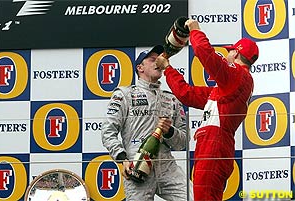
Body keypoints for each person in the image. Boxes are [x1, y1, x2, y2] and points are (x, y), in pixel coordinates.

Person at [156, 19, 259, 200]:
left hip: (214, 146)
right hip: (213, 146)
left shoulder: (239, 77)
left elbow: (205, 53)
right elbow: (186, 94)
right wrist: (168, 68)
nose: (227, 55)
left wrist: (195, 30)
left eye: (229, 51)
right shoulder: (226, 89)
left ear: (236, 53)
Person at [101, 45, 193, 201]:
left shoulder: (172, 99)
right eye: (152, 59)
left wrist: (170, 131)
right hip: (137, 166)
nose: (158, 62)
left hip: (166, 166)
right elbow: (107, 132)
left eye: (159, 59)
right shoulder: (125, 94)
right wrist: (123, 158)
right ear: (140, 68)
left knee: (196, 197)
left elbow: (183, 142)